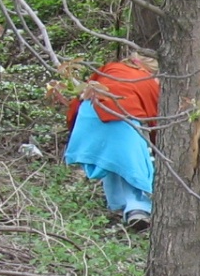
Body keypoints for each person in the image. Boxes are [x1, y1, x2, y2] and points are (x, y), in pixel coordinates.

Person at [61, 55, 160, 230]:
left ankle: (118, 205)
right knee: (134, 164)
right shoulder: (148, 80)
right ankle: (138, 208)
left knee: (113, 161)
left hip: (88, 114)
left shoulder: (109, 69)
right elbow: (156, 119)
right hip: (119, 117)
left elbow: (79, 97)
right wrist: (159, 147)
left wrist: (73, 127)